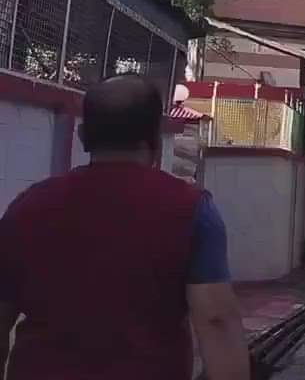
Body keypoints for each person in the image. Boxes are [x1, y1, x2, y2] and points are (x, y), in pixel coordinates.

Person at [0, 74, 250, 380]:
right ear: (156, 139)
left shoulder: (28, 207)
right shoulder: (192, 210)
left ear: (82, 136)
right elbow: (216, 320)